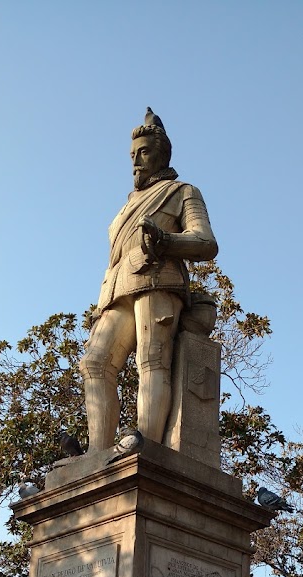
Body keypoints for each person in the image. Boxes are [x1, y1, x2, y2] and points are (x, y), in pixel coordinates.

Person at [79, 108, 218, 451]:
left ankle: (148, 447)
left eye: (143, 152)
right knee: (94, 363)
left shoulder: (182, 191)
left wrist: (167, 241)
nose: (136, 162)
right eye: (132, 155)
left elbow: (206, 242)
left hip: (158, 279)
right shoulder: (127, 205)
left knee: (152, 361)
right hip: (117, 289)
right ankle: (96, 456)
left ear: (161, 154)